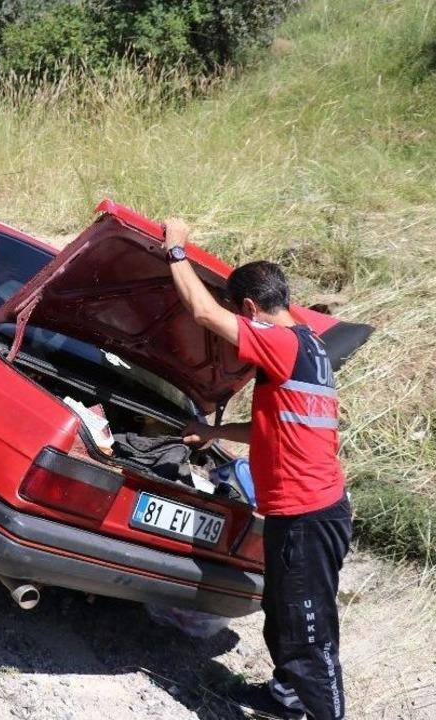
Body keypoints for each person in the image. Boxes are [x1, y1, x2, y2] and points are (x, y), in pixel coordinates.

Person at [163, 219, 351, 720]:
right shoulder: (309, 346)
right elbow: (274, 427)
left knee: (308, 633)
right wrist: (213, 434)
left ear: (249, 309)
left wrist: (176, 249)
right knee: (285, 618)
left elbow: (201, 311)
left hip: (308, 514)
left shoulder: (280, 342)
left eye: (237, 316)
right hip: (311, 509)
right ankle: (286, 700)